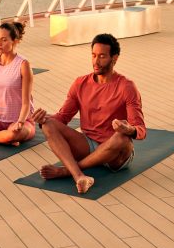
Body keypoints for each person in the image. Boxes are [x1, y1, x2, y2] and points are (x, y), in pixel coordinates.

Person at [32, 33, 145, 195]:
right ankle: (79, 176)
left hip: (115, 153)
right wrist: (43, 120)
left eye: (102, 56)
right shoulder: (80, 83)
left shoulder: (127, 87)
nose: (96, 62)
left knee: (122, 137)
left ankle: (66, 171)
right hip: (87, 145)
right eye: (93, 55)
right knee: (48, 125)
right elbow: (63, 117)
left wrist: (129, 129)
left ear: (114, 58)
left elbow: (140, 130)